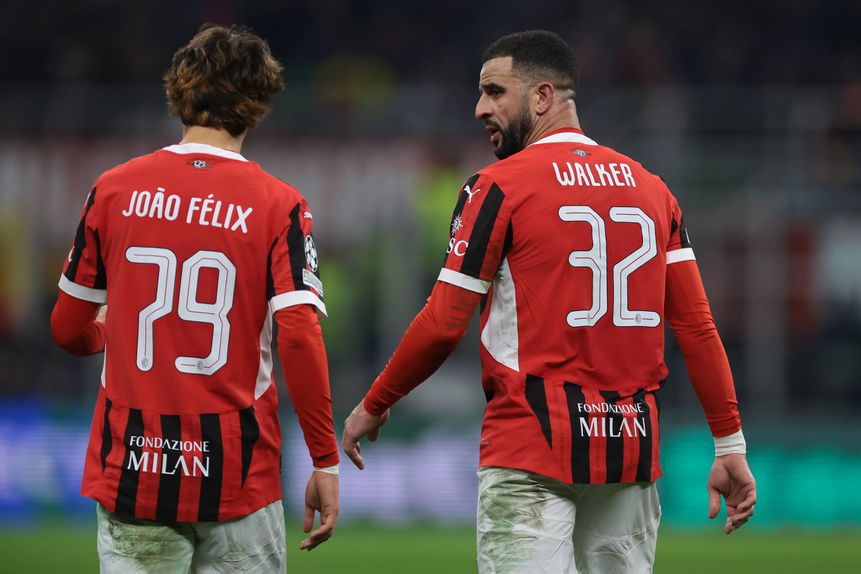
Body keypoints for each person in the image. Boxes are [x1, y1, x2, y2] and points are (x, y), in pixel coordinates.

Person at [342, 30, 756, 573]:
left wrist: (375, 402)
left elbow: (445, 322)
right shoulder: (653, 190)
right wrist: (730, 444)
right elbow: (698, 327)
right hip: (628, 447)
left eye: (494, 92)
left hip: (530, 444)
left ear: (542, 98)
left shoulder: (497, 187)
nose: (479, 108)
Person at [50, 24, 339, 573]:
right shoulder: (280, 205)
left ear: (178, 93)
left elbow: (66, 329)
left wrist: (108, 331)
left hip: (135, 465)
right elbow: (299, 336)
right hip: (238, 474)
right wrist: (324, 459)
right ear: (258, 106)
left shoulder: (112, 189)